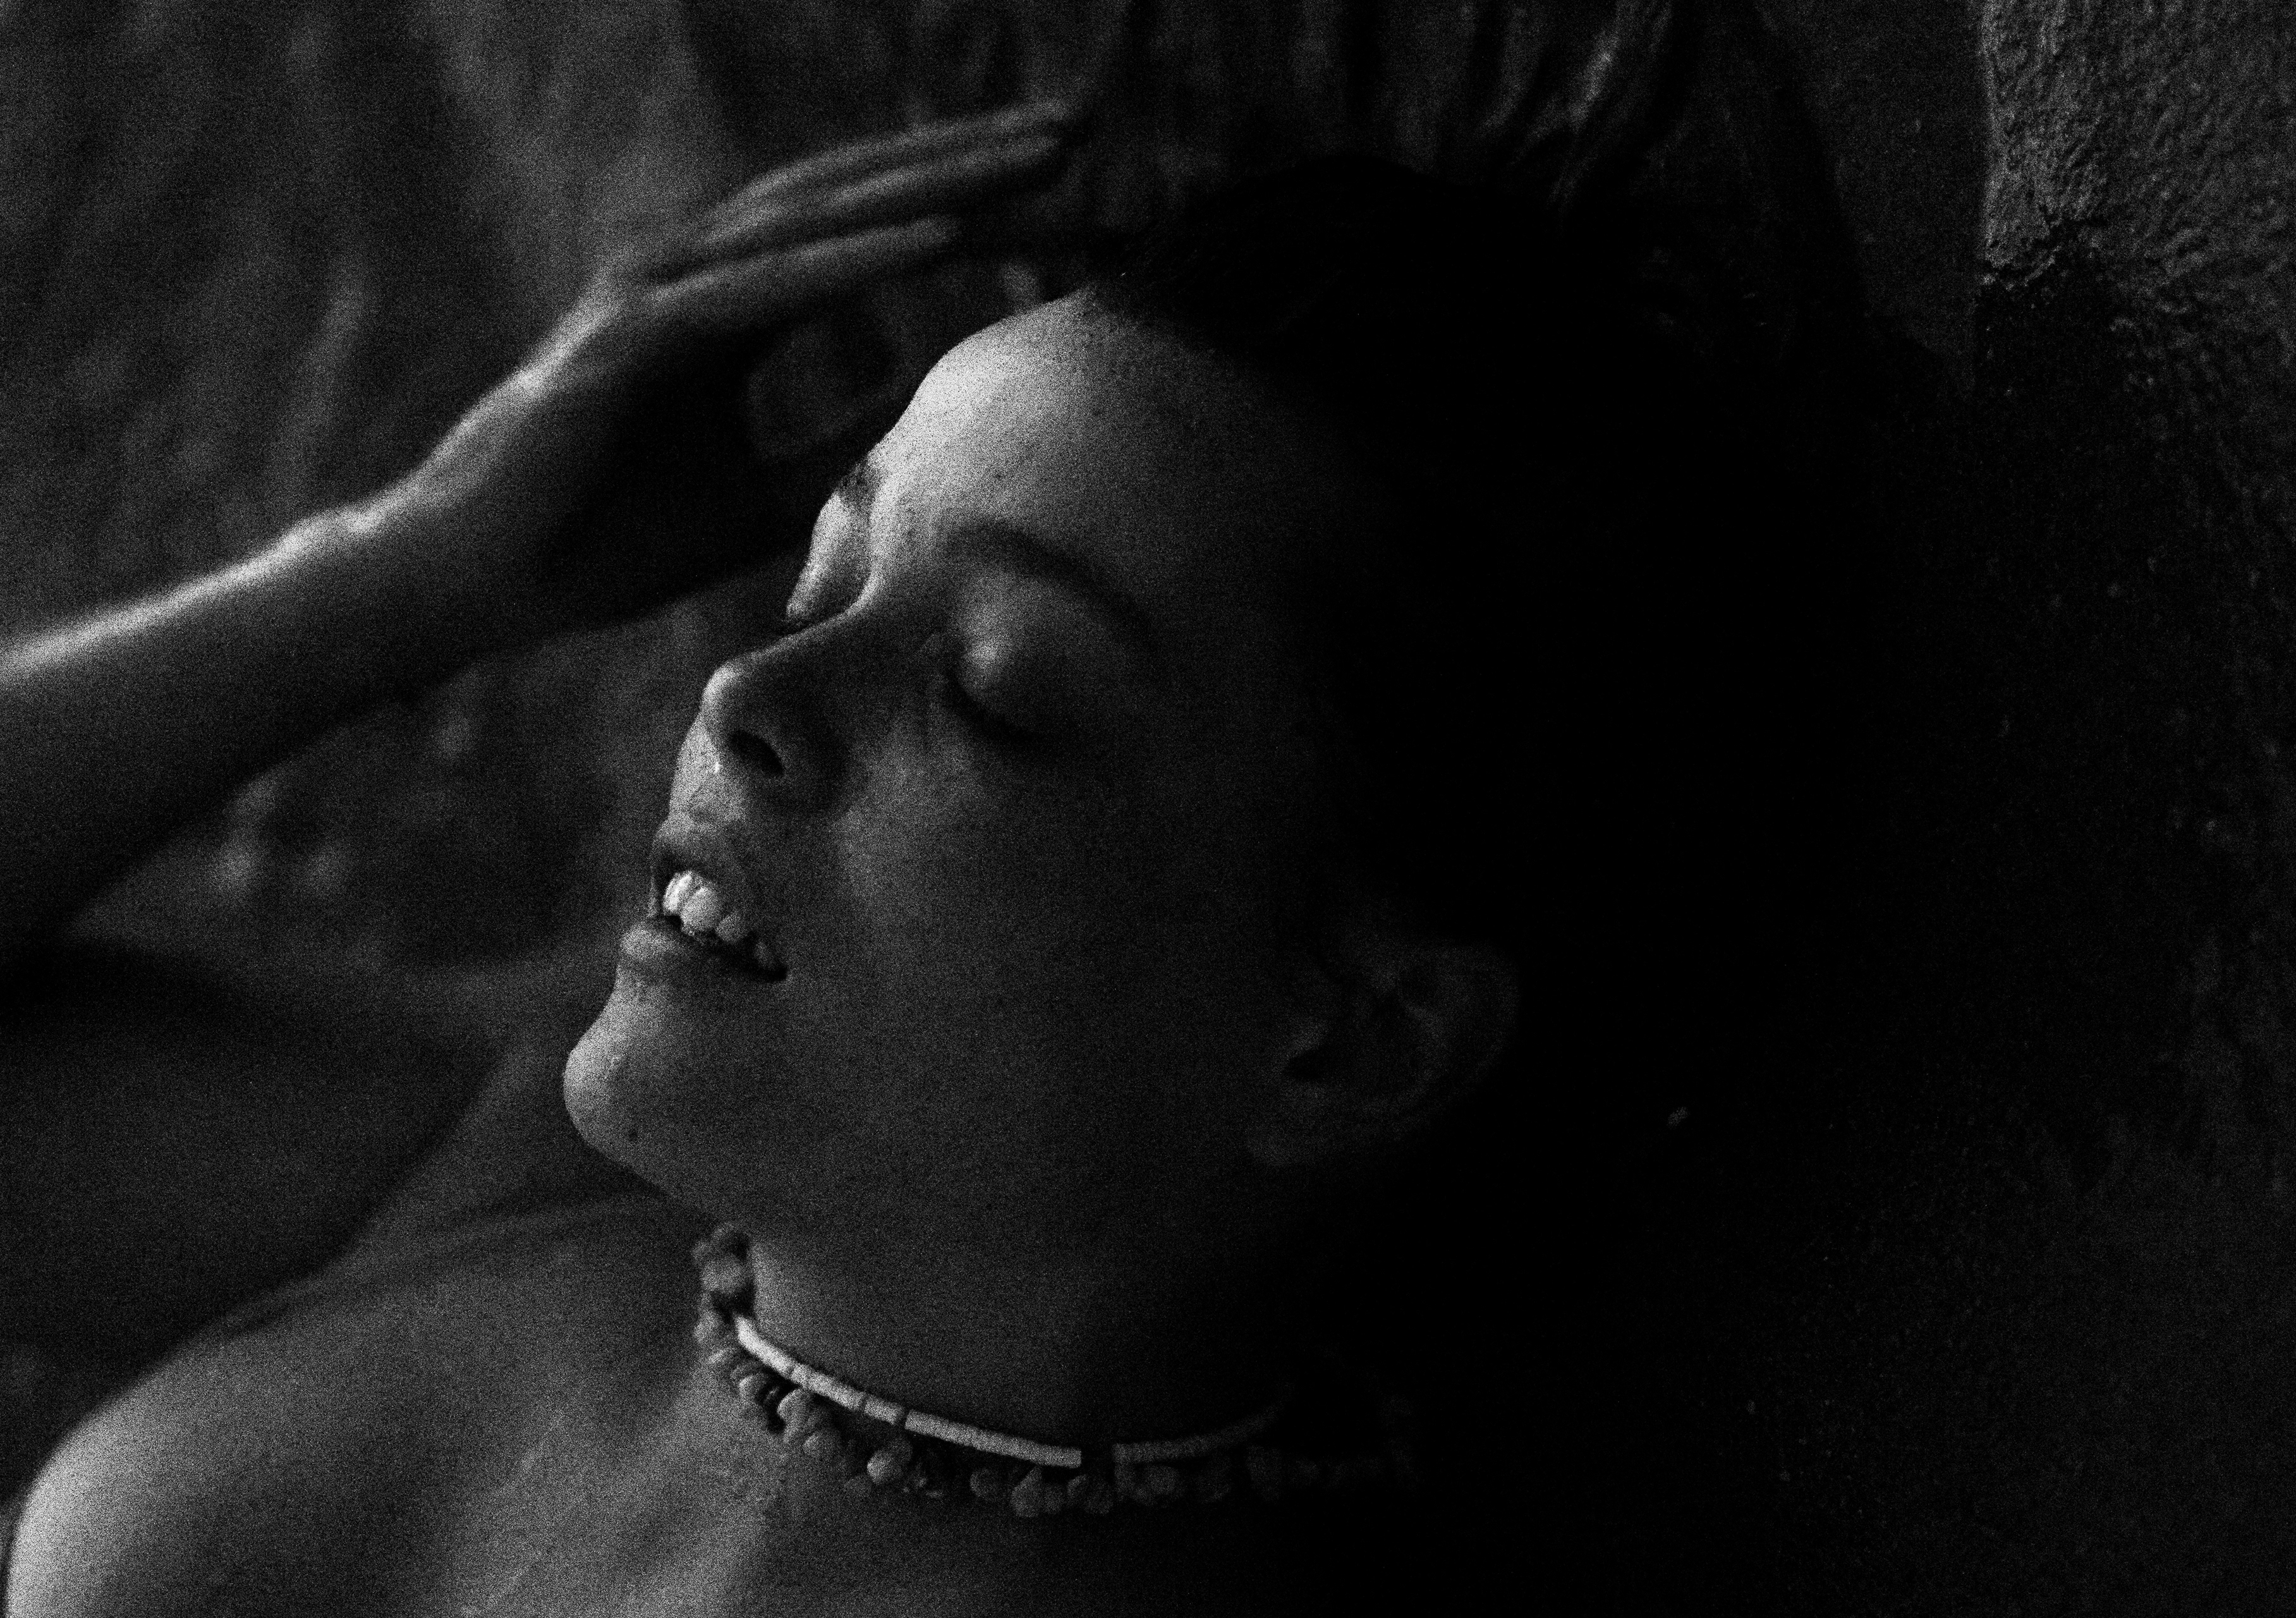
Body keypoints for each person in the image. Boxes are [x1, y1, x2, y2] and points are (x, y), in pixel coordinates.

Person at [0, 96, 1763, 1615]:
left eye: (991, 693)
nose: (748, 693)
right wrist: (400, 573)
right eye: (825, 582)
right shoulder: (543, 1161)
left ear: (1351, 1043)